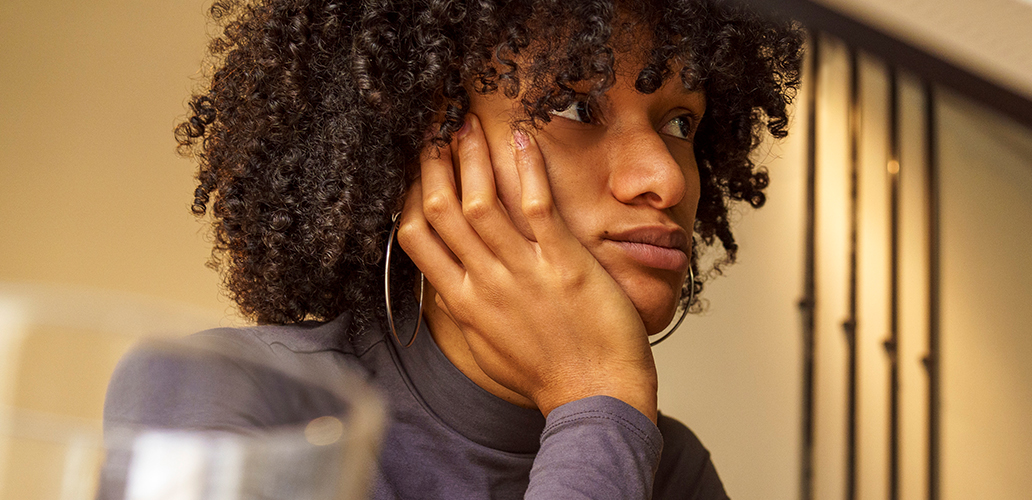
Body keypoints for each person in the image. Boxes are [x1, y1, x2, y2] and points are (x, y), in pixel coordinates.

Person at [101, 0, 803, 499]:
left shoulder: (667, 467)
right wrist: (599, 400)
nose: (666, 177)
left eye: (681, 121)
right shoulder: (227, 393)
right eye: (573, 107)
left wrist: (603, 411)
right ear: (429, 142)